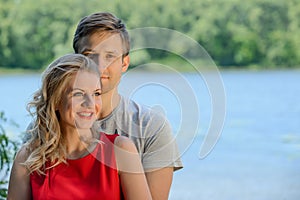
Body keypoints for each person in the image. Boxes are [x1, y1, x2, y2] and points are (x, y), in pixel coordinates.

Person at [7, 54, 152, 200]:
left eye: (96, 94)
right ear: (56, 101)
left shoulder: (120, 150)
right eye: (78, 94)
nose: (90, 103)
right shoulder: (28, 157)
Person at [73, 12, 183, 199]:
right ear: (75, 60)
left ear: (125, 63)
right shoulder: (49, 125)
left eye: (110, 56)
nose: (99, 66)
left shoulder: (152, 127)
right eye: (89, 55)